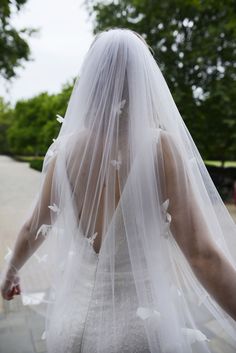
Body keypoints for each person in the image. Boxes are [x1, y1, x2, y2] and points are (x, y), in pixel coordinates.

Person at [1, 28, 236, 353]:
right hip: (138, 333)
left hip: (69, 327)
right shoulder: (160, 148)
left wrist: (10, 273)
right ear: (144, 80)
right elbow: (202, 255)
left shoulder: (65, 151)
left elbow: (32, 227)